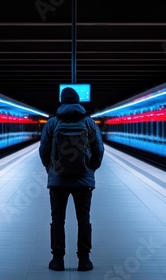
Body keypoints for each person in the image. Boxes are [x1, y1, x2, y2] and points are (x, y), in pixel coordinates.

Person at [39, 87, 104, 271]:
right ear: (78, 102)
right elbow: (98, 150)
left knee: (58, 220)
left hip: (58, 181)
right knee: (83, 219)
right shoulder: (89, 123)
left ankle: (57, 260)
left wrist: (51, 169)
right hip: (83, 182)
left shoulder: (52, 123)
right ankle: (84, 260)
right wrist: (90, 169)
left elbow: (43, 151)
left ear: (62, 102)